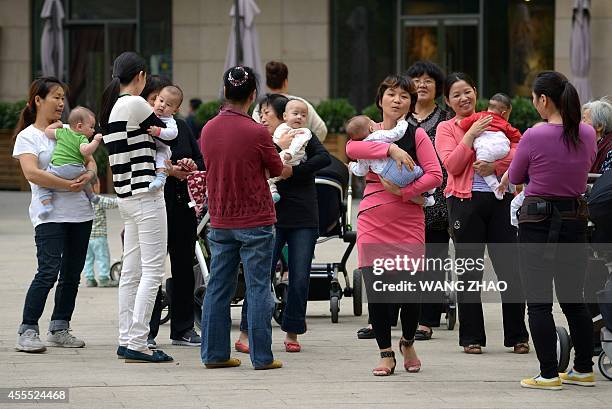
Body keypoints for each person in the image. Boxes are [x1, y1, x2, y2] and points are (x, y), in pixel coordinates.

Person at [347, 74, 442, 376]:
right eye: (391, 93)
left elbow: (435, 175)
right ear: (381, 100)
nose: (397, 99)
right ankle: (385, 352)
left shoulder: (417, 135)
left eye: (404, 95)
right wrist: (389, 150)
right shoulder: (368, 131)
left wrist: (405, 192)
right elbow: (352, 150)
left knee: (411, 291)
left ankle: (408, 341)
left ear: (411, 103)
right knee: (378, 290)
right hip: (373, 218)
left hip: (408, 218)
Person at [509, 71, 597, 390]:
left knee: (539, 301)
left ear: (543, 100)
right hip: (574, 219)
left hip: (538, 221)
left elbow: (517, 173)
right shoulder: (587, 133)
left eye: (534, 100)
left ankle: (548, 373)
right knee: (575, 299)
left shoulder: (535, 135)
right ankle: (584, 369)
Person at [435, 72, 529, 355]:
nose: (463, 98)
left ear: (475, 92)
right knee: (469, 271)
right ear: (448, 101)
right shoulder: (447, 128)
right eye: (456, 95)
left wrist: (496, 166)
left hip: (501, 199)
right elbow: (452, 165)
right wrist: (472, 135)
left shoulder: (494, 119)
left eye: (467, 92)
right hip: (464, 201)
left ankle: (517, 336)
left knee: (510, 269)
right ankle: (471, 337)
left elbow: (519, 151)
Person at [200, 67, 285, 370]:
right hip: (256, 219)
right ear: (252, 96)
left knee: (218, 287)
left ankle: (214, 354)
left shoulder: (208, 129)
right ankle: (262, 356)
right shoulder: (257, 131)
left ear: (224, 92)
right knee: (258, 286)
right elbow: (276, 169)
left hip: (221, 219)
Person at [235, 93, 331, 354]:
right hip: (269, 216)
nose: (262, 117)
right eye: (260, 112)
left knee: (299, 277)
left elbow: (324, 159)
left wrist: (293, 171)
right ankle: (246, 331)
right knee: (260, 276)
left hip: (303, 216)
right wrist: (278, 148)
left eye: (267, 112)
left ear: (282, 116)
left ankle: (292, 331)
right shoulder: (261, 139)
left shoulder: (304, 136)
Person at [99, 51, 174, 363]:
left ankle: (127, 338)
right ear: (141, 75)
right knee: (152, 270)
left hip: (127, 197)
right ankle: (139, 342)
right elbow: (168, 131)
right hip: (146, 195)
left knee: (131, 271)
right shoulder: (136, 103)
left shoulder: (114, 107)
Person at [13, 77, 96, 352]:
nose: (61, 103)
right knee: (48, 271)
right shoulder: (29, 136)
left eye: (63, 98)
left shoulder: (70, 130)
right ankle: (28, 329)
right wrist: (67, 185)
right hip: (49, 215)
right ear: (38, 100)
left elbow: (90, 159)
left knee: (72, 274)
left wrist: (90, 174)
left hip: (80, 214)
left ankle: (60, 326)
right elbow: (32, 173)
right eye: (56, 97)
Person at [146, 79, 204, 349]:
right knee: (151, 270)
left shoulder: (180, 127)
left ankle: (182, 328)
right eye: (157, 99)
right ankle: (147, 329)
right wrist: (169, 171)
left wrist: (189, 164)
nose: (161, 105)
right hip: (151, 203)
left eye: (167, 102)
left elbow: (199, 160)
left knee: (183, 267)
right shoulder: (143, 127)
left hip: (181, 205)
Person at [406, 61, 451, 341]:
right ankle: (400, 313)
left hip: (438, 199)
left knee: (433, 258)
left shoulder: (446, 118)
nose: (422, 84)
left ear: (437, 87)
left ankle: (427, 318)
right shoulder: (398, 117)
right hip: (403, 199)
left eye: (428, 80)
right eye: (416, 79)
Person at [346, 115, 435, 206]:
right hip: (400, 168)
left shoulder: (362, 154)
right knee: (418, 172)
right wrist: (402, 122)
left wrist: (352, 166)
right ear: (371, 129)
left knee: (407, 193)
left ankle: (427, 201)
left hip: (391, 180)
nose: (378, 124)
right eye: (375, 123)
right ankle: (429, 188)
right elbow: (396, 133)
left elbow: (361, 171)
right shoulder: (378, 135)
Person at [39, 107, 102, 218]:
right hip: (76, 170)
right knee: (85, 179)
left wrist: (57, 125)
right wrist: (96, 141)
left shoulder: (62, 132)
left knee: (42, 185)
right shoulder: (82, 138)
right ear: (79, 126)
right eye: (91, 127)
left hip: (57, 170)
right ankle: (91, 195)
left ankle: (47, 205)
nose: (93, 130)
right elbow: (86, 150)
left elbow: (47, 132)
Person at [456, 93, 521, 199]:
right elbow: (517, 136)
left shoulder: (479, 116)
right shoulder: (504, 123)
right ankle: (510, 185)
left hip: (485, 149)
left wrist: (458, 122)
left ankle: (496, 188)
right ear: (504, 113)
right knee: (507, 165)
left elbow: (464, 124)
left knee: (483, 168)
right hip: (503, 149)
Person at [252, 61, 328, 142]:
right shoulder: (300, 104)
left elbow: (255, 134)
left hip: (269, 152)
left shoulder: (260, 108)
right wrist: (306, 146)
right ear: (285, 82)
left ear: (267, 84)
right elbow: (321, 129)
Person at [268, 99, 312, 202]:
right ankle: (273, 193)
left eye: (303, 115)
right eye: (295, 113)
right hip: (281, 158)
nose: (299, 117)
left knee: (267, 175)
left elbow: (298, 143)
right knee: (268, 178)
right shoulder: (282, 127)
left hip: (291, 159)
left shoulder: (304, 131)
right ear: (285, 116)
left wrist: (290, 153)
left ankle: (272, 191)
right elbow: (275, 139)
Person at [146, 85, 183, 191]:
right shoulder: (149, 110)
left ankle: (160, 178)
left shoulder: (170, 120)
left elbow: (173, 133)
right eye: (161, 101)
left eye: (168, 105)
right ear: (156, 99)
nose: (162, 106)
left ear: (175, 110)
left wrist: (158, 131)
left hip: (163, 147)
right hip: (150, 146)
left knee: (161, 156)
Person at [83, 178, 119, 288]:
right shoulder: (98, 199)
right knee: (102, 257)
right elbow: (114, 203)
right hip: (99, 237)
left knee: (88, 259)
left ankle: (89, 279)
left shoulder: (82, 201)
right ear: (94, 187)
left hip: (86, 238)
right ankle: (103, 278)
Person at [582, 97, 612, 174]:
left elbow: (605, 182)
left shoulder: (610, 150)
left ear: (599, 126)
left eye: (584, 119)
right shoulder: (587, 145)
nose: (580, 124)